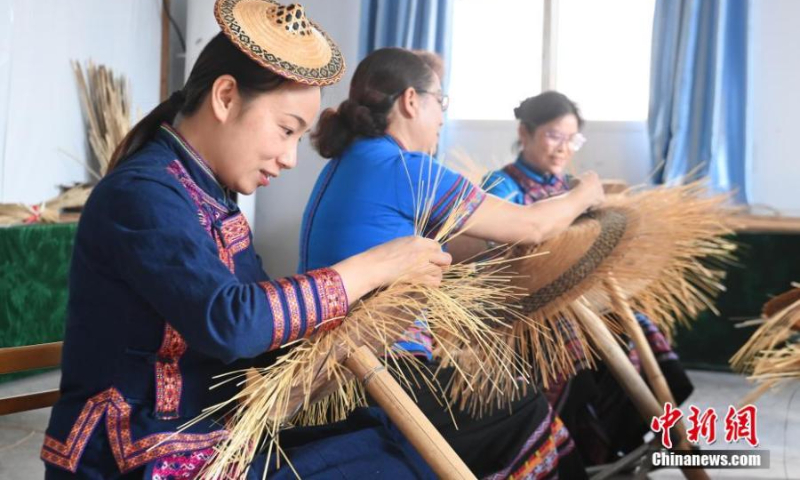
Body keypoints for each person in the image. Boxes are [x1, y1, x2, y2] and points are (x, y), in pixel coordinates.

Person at [41, 2, 448, 478]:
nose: (291, 157)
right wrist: (371, 267)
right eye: (286, 130)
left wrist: (368, 319)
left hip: (210, 442)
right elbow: (233, 323)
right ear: (226, 97)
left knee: (393, 441)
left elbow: (260, 337)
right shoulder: (141, 193)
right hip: (134, 455)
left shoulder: (214, 198)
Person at [300, 47, 604, 479]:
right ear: (410, 100)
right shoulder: (406, 168)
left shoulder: (353, 161)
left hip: (340, 373)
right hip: (380, 376)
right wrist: (586, 193)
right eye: (439, 103)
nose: (441, 118)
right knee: (524, 404)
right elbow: (533, 225)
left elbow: (451, 244)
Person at [484, 91, 694, 465]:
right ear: (525, 132)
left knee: (639, 333)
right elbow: (497, 262)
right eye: (553, 136)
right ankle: (580, 454)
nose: (562, 149)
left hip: (583, 307)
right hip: (527, 316)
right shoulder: (501, 188)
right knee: (580, 357)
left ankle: (620, 446)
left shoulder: (572, 189)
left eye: (571, 139)